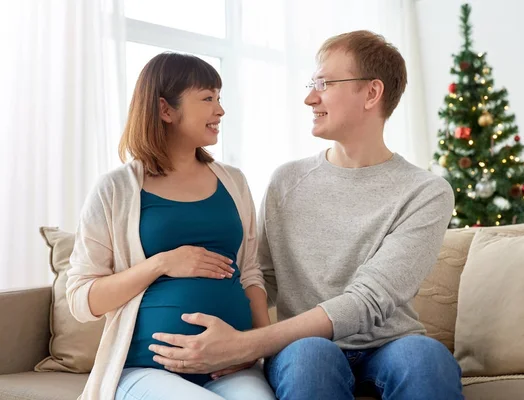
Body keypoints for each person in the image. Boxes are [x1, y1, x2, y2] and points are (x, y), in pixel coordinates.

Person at [148, 31, 464, 399]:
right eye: (311, 84)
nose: (309, 97)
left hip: (391, 344)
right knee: (311, 357)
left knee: (426, 357)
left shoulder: (425, 192)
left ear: (372, 93)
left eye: (324, 84)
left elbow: (369, 300)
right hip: (304, 348)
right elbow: (260, 276)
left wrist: (249, 344)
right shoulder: (287, 180)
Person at [66, 52, 276, 400]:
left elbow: (250, 273)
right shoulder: (116, 189)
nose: (220, 111)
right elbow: (81, 299)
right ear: (166, 110)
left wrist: (257, 348)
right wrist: (162, 262)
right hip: (145, 369)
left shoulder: (234, 182)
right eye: (208, 98)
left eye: (219, 98)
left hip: (231, 367)